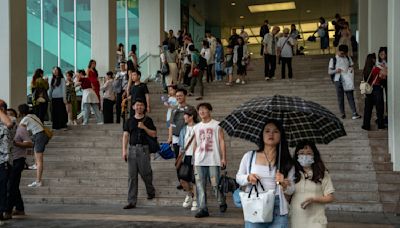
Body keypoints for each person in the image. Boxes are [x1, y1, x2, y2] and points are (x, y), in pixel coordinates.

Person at [236, 119, 295, 227]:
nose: (271, 134)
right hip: (255, 204)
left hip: (278, 208)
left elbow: (291, 190)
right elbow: (239, 178)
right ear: (262, 135)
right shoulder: (249, 156)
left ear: (281, 136)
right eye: (267, 131)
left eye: (276, 131)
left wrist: (284, 184)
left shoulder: (287, 162)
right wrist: (248, 178)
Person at [192, 103, 227, 218]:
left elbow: (222, 141)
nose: (201, 112)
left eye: (204, 109)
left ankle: (221, 201)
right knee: (200, 185)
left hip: (213, 159)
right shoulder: (196, 127)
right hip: (199, 161)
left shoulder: (217, 125)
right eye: (199, 110)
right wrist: (193, 159)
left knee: (215, 183)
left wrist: (223, 158)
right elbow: (195, 144)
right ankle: (203, 208)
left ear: (209, 111)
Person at [122, 98, 156, 209]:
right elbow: (125, 136)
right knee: (132, 176)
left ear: (144, 107)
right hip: (132, 150)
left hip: (144, 150)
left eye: (141, 105)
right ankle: (131, 201)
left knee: (146, 174)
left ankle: (150, 191)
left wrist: (144, 127)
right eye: (137, 105)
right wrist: (124, 150)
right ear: (133, 107)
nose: (139, 107)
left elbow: (154, 134)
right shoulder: (129, 121)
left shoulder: (148, 120)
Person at [291, 142, 335, 228]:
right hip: (296, 219)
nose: (305, 156)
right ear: (297, 155)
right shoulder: (292, 174)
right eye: (302, 153)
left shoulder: (322, 173)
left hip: (316, 220)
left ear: (314, 155)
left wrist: (314, 199)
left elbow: (330, 197)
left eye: (309, 153)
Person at [5, 108, 32, 218]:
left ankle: (8, 210)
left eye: (11, 114)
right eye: (7, 115)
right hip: (8, 160)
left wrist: (15, 143)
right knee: (13, 185)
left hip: (18, 160)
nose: (9, 117)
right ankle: (20, 208)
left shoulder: (20, 129)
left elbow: (29, 144)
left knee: (11, 185)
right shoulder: (4, 129)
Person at [168, 88, 194, 189]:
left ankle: (188, 178)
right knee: (177, 159)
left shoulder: (190, 108)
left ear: (185, 96)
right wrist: (169, 137)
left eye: (180, 95)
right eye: (177, 96)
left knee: (187, 158)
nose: (178, 97)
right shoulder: (174, 109)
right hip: (175, 137)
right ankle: (181, 180)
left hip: (187, 137)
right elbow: (171, 124)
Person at [19, 104, 49, 188]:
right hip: (42, 135)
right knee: (36, 155)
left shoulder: (25, 119)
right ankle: (36, 164)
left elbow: (19, 130)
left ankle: (38, 181)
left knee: (40, 161)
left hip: (39, 136)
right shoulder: (33, 116)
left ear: (21, 112)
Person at [328, 44, 361, 120]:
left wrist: (350, 71)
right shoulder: (333, 59)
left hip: (347, 79)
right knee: (340, 97)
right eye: (341, 53)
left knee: (350, 96)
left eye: (344, 53)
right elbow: (329, 71)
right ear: (338, 51)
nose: (343, 55)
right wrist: (336, 70)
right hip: (338, 79)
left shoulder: (348, 58)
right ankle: (342, 113)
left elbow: (351, 66)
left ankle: (354, 113)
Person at [177, 106, 199, 211]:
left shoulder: (199, 127)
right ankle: (190, 195)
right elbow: (181, 145)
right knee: (183, 179)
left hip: (197, 157)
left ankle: (195, 200)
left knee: (194, 180)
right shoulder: (183, 129)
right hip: (186, 157)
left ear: (191, 116)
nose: (184, 117)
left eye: (185, 115)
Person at [361, 53, 386, 130]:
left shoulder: (365, 69)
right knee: (379, 109)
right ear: (373, 60)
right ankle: (381, 125)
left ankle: (366, 125)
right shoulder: (377, 69)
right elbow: (384, 77)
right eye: (375, 58)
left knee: (368, 109)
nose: (376, 60)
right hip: (377, 89)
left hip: (368, 90)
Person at [0, 100, 14, 222]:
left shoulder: (11, 120)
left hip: (4, 160)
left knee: (2, 187)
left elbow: (9, 124)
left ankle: (2, 211)